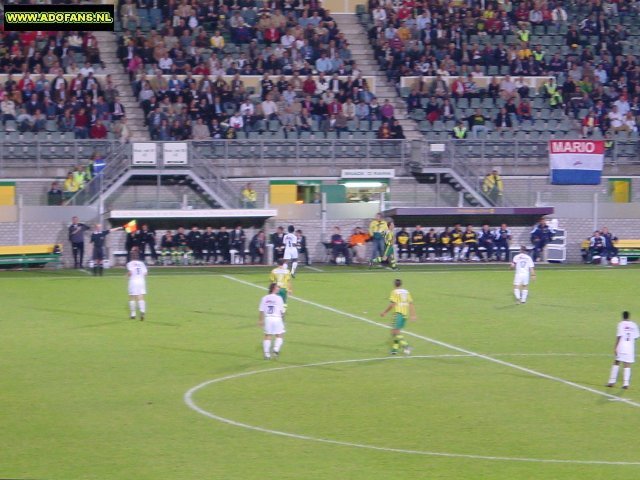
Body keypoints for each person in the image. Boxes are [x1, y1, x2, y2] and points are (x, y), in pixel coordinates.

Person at [380, 278, 416, 355]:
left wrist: (384, 312)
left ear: (394, 284)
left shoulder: (394, 292)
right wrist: (413, 315)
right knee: (396, 332)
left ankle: (406, 346)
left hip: (398, 313)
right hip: (404, 314)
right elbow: (411, 303)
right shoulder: (406, 292)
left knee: (394, 332)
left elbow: (392, 304)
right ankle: (394, 349)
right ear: (401, 284)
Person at [607, 311, 640, 389]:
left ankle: (611, 382)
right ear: (629, 317)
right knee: (627, 364)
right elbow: (636, 337)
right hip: (630, 347)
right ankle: (626, 384)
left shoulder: (621, 324)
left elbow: (619, 336)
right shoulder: (634, 324)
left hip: (622, 346)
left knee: (617, 362)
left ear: (623, 316)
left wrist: (615, 347)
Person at [259, 282, 287, 360]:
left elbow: (261, 310)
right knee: (279, 334)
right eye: (277, 287)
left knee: (267, 336)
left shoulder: (264, 298)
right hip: (277, 318)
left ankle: (267, 354)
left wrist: (260, 320)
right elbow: (282, 311)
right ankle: (276, 349)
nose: (279, 288)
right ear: (274, 288)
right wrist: (283, 321)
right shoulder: (279, 298)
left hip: (268, 318)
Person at [126, 248, 148, 321]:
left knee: (132, 297)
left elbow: (130, 272)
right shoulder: (142, 263)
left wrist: (127, 275)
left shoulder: (130, 264)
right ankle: (142, 311)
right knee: (141, 296)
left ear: (131, 257)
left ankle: (133, 314)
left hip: (133, 281)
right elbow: (145, 273)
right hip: (141, 281)